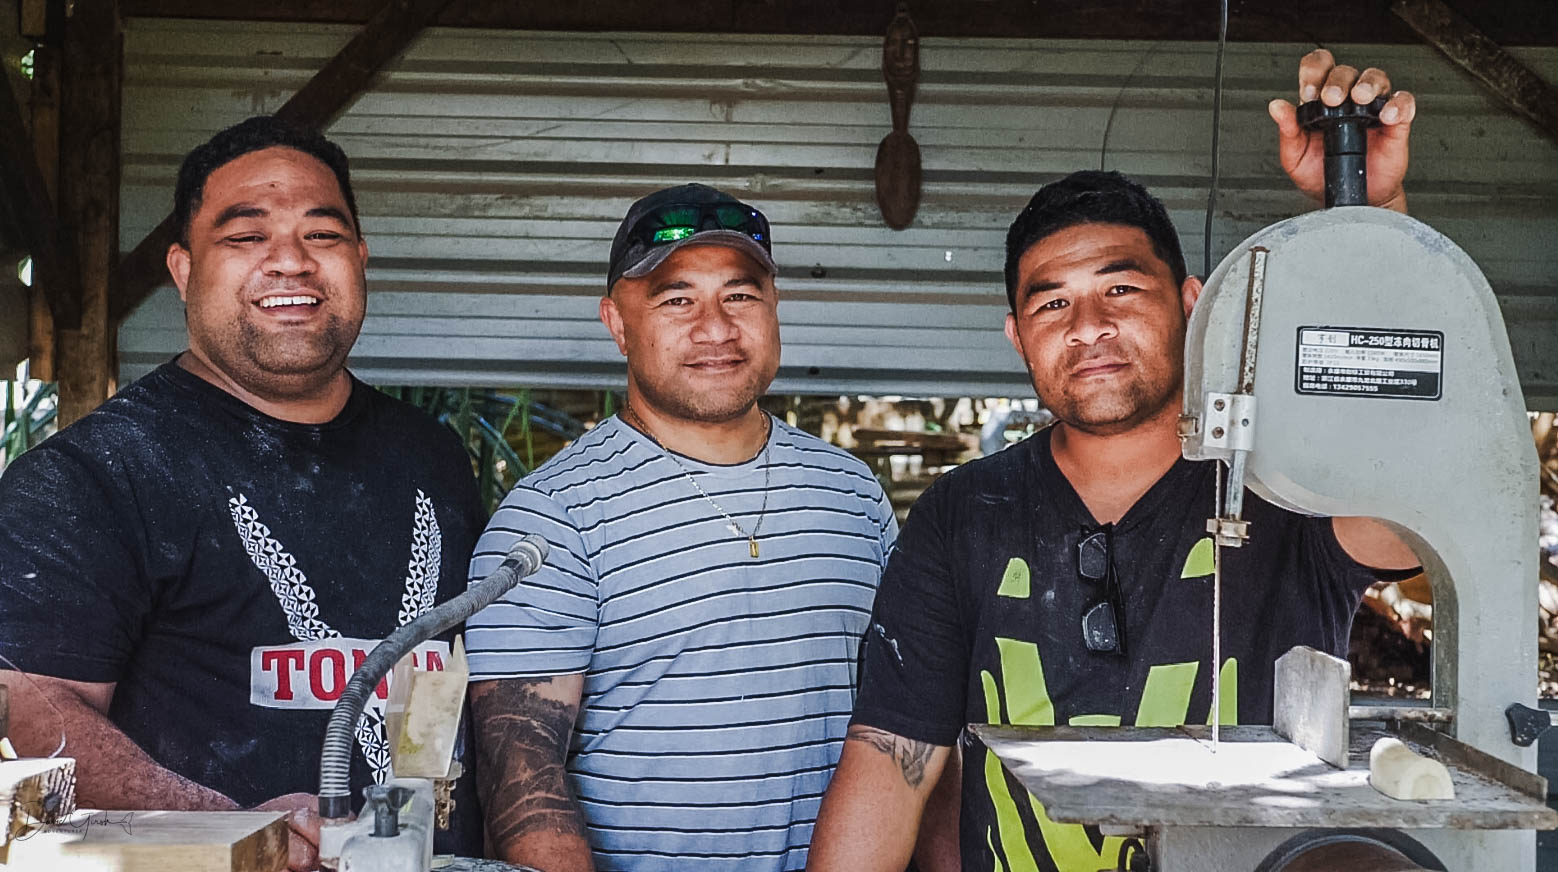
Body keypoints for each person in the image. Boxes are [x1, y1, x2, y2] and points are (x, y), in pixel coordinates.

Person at [806, 51, 1421, 872]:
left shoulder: (1286, 486)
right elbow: (891, 756)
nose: (1086, 324)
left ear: (1195, 303)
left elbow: (1411, 507)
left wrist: (1370, 220)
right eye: (1051, 301)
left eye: (1121, 290)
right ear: (1018, 336)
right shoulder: (964, 512)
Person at [0, 117, 484, 871]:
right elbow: (36, 713)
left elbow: (455, 682)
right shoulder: (90, 477)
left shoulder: (432, 456)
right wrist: (229, 826)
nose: (290, 261)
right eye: (244, 236)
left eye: (323, 236)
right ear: (184, 270)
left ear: (360, 261)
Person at [464, 183, 899, 872]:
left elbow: (905, 724)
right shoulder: (554, 514)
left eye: (741, 294)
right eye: (676, 299)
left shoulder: (851, 493)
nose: (716, 328)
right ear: (616, 323)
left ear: (775, 307)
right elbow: (522, 778)